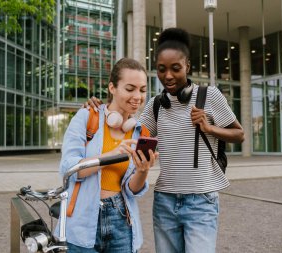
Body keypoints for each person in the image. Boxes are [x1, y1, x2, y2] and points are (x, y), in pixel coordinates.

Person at [86, 28, 244, 253]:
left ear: (187, 67)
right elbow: (129, 132)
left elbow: (239, 134)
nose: (168, 75)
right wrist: (98, 109)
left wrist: (209, 127)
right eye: (162, 69)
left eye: (175, 68)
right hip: (165, 201)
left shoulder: (210, 96)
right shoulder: (156, 105)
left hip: (201, 202)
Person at [58, 57, 158, 253]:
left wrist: (142, 171)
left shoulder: (140, 132)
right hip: (81, 220)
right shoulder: (88, 117)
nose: (137, 96)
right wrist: (110, 156)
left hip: (121, 220)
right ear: (112, 88)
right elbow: (68, 169)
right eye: (130, 89)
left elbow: (131, 190)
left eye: (142, 90)